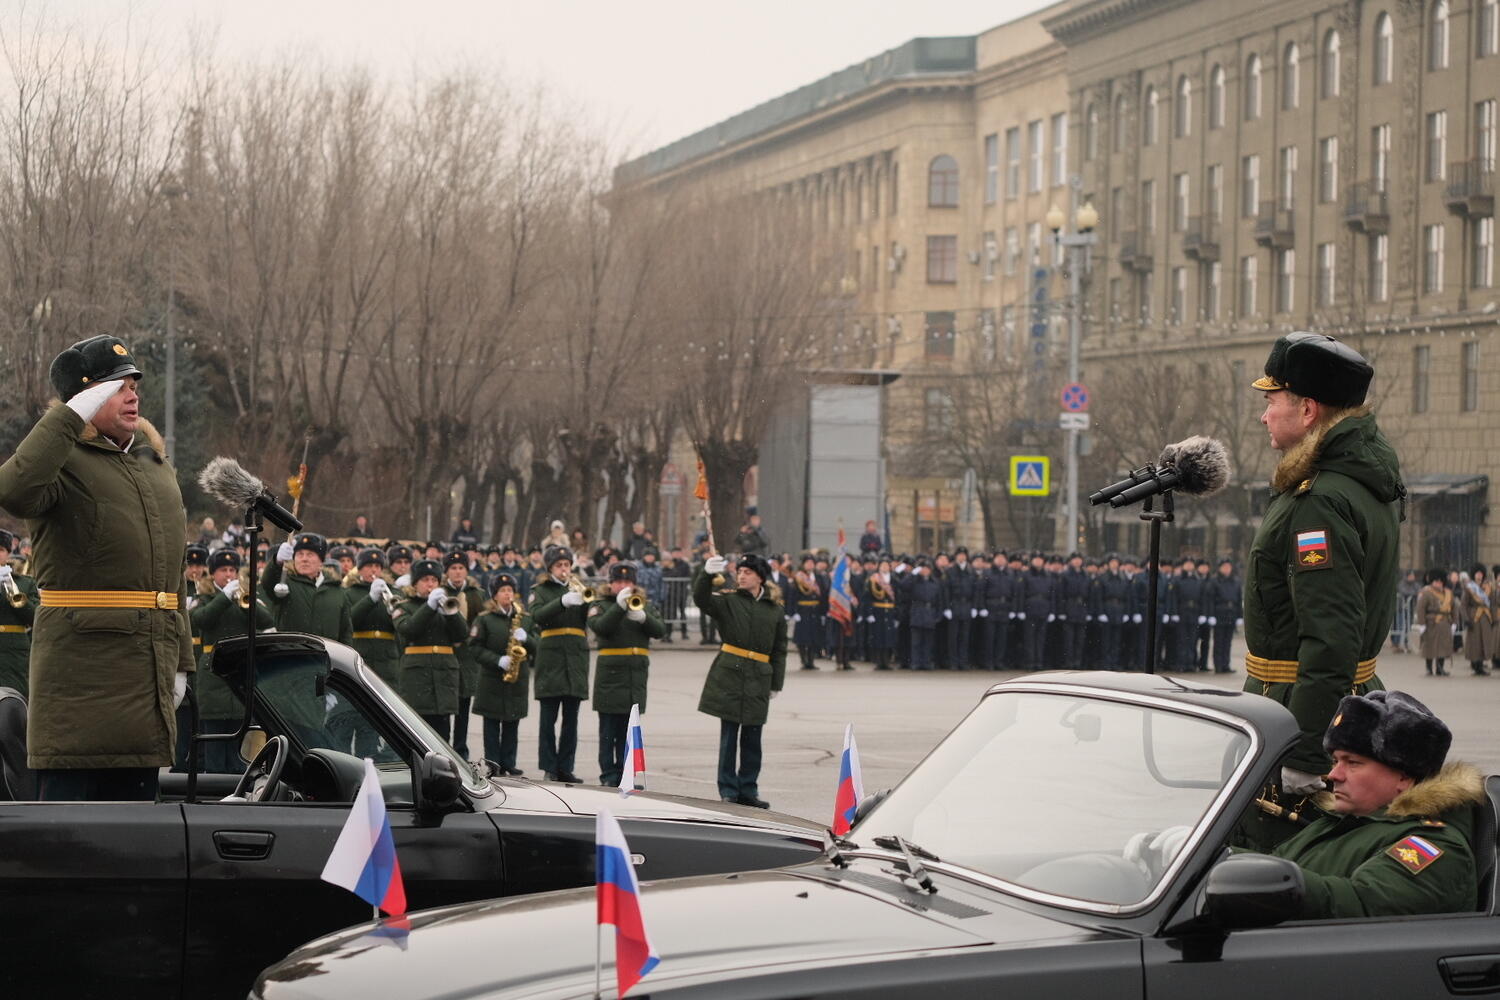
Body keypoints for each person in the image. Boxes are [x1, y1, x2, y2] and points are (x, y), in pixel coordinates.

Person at [0, 335, 194, 801]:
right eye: (117, 385)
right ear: (85, 398)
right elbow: (12, 490)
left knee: (134, 838)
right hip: (82, 678)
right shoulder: (60, 460)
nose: (133, 394)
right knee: (72, 838)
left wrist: (182, 661)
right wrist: (67, 417)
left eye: (134, 384)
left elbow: (172, 575)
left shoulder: (154, 467)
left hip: (147, 675)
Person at [1244, 332, 1404, 798]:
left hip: (1297, 712)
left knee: (1271, 857)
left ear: (1308, 409)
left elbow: (1330, 637)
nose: (1264, 414)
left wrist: (1306, 754)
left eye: (1271, 399)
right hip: (1345, 699)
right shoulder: (1358, 482)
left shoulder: (1321, 501)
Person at [1265, 691, 1483, 918]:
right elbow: (1270, 863)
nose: (1333, 775)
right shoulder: (1336, 823)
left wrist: (1276, 881)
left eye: (1353, 763)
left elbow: (1362, 904)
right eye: (1335, 761)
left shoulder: (1435, 846)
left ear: (1404, 777)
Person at [694, 551, 785, 808]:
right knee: (729, 736)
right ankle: (728, 789)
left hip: (759, 676)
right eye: (740, 572)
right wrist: (706, 574)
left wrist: (776, 682)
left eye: (747, 573)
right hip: (731, 674)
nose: (741, 576)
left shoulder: (774, 610)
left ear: (760, 578)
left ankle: (748, 789)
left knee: (752, 738)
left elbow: (779, 649)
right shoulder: (729, 601)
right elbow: (701, 599)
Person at [189, 548, 274, 771]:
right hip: (213, 677)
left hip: (240, 676)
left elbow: (266, 620)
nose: (228, 575)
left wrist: (247, 603)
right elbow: (201, 620)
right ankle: (215, 797)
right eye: (223, 570)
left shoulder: (244, 595)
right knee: (215, 750)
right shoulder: (204, 597)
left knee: (239, 752)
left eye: (232, 570)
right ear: (213, 573)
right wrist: (224, 597)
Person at [589, 563, 666, 787]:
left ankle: (626, 775)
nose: (623, 586)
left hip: (635, 676)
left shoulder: (643, 605)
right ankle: (608, 776)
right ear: (611, 583)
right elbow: (601, 627)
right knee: (608, 732)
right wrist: (619, 607)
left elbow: (660, 630)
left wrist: (643, 618)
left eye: (627, 582)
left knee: (629, 730)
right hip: (610, 676)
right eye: (618, 582)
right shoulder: (600, 604)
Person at [528, 545, 590, 783]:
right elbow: (536, 616)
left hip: (575, 657)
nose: (564, 570)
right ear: (550, 568)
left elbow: (591, 620)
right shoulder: (541, 590)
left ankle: (566, 766)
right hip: (551, 658)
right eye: (559, 566)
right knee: (548, 719)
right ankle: (549, 766)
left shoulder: (579, 588)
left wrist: (584, 602)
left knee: (571, 720)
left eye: (567, 565)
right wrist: (562, 602)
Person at [469, 572, 535, 775]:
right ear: (494, 595)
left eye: (510, 590)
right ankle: (493, 764)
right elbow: (474, 648)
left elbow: (538, 646)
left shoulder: (524, 619)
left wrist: (527, 639)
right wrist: (497, 660)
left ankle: (509, 762)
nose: (508, 594)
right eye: (503, 591)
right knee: (491, 726)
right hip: (492, 679)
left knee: (511, 723)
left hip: (516, 680)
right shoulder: (485, 619)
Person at [393, 559, 468, 734]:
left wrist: (451, 615)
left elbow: (462, 634)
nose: (430, 584)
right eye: (425, 580)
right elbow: (408, 630)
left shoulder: (447, 605)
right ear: (415, 584)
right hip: (417, 678)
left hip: (444, 676)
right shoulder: (404, 606)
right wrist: (428, 607)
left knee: (442, 735)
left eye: (434, 580)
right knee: (416, 734)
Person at [263, 532, 354, 644]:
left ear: (321, 561)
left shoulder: (337, 591)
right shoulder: (285, 585)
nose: (304, 559)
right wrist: (277, 562)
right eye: (300, 554)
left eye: (310, 554)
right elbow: (268, 582)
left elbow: (345, 632)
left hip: (327, 657)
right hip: (291, 655)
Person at [444, 550, 488, 758]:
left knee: (463, 707)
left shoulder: (475, 593)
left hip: (467, 656)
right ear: (446, 572)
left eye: (461, 568)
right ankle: (442, 748)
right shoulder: (440, 591)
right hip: (446, 653)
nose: (457, 572)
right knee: (444, 707)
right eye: (453, 568)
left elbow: (482, 621)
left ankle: (460, 750)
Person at [344, 547, 400, 689]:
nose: (373, 570)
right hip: (361, 652)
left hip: (387, 658)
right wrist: (370, 599)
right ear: (360, 569)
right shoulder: (350, 592)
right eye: (369, 566)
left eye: (377, 566)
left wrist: (393, 612)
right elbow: (349, 621)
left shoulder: (394, 592)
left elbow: (401, 627)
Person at [0, 528, 39, 696]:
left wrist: (13, 591)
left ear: (8, 553)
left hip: (14, 650)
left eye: (0, 550)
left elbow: (35, 617)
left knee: (15, 696)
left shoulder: (25, 583)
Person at [1416, 569, 1456, 676]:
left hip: (1445, 624)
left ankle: (1440, 668)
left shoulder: (1448, 593)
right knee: (1429, 647)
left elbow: (1454, 608)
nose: (1438, 583)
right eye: (1436, 581)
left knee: (1442, 648)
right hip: (1431, 623)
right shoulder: (1426, 593)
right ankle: (1429, 668)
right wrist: (1422, 624)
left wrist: (1454, 623)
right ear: (1432, 582)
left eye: (1440, 581)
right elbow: (1421, 609)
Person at [1457, 565, 1495, 677]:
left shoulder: (1488, 588)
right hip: (1474, 618)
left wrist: (1494, 618)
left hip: (1485, 618)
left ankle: (1481, 664)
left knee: (1484, 642)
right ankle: (1475, 664)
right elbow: (1463, 605)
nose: (1479, 576)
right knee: (1475, 644)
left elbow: (1492, 604)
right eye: (1477, 573)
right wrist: (1466, 619)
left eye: (1480, 574)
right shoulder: (1469, 588)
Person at [1207, 557, 1242, 674]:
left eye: (1228, 567)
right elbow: (1211, 599)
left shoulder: (1235, 581)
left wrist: (1239, 616)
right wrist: (1211, 615)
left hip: (1231, 613)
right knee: (1219, 641)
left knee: (1228, 641)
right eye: (1224, 567)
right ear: (1220, 568)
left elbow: (1238, 599)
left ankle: (1226, 664)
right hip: (1219, 613)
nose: (1227, 569)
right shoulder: (1215, 581)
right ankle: (1218, 665)